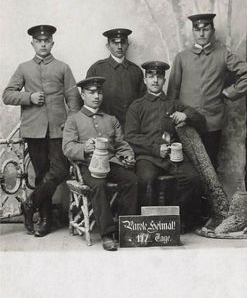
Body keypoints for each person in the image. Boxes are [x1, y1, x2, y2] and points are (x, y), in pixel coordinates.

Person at [2, 25, 83, 237]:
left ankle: (30, 204)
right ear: (33, 44)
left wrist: (73, 122)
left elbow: (73, 97)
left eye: (47, 40)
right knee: (41, 174)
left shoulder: (63, 67)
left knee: (60, 170)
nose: (43, 44)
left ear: (53, 43)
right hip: (34, 130)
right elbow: (7, 95)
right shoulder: (23, 68)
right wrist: (28, 97)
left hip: (59, 129)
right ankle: (45, 220)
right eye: (39, 41)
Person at [125, 61, 206, 232]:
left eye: (159, 77)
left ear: (164, 80)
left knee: (193, 179)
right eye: (151, 76)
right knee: (146, 180)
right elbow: (130, 137)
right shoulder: (137, 106)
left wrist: (185, 115)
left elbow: (200, 119)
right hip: (147, 157)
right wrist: (155, 148)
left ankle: (177, 221)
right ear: (145, 80)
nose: (155, 80)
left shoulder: (173, 104)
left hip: (172, 157)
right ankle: (148, 225)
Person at [62, 76, 138, 251]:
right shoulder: (74, 119)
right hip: (87, 166)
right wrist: (84, 148)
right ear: (82, 94)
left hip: (111, 163)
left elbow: (121, 144)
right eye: (92, 92)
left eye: (100, 92)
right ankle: (107, 234)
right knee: (98, 184)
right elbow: (67, 147)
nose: (97, 96)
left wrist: (127, 156)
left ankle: (124, 228)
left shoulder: (111, 119)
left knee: (132, 180)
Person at [167, 13, 247, 168]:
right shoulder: (182, 57)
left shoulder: (223, 54)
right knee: (186, 168)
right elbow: (173, 91)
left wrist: (230, 92)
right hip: (185, 122)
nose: (201, 33)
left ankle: (208, 193)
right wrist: (170, 121)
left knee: (210, 167)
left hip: (212, 123)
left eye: (205, 29)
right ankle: (192, 194)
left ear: (212, 30)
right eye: (197, 29)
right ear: (192, 32)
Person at [86, 28, 145, 129]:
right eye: (115, 43)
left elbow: (143, 102)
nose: (119, 46)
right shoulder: (97, 69)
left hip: (132, 128)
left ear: (128, 45)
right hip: (104, 127)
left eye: (123, 42)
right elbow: (87, 101)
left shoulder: (136, 71)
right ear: (108, 46)